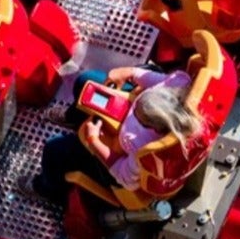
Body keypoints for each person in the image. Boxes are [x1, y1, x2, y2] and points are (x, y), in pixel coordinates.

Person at [30, 65, 200, 207]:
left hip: (113, 153)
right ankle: (73, 118)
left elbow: (125, 178)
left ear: (153, 127)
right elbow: (156, 80)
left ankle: (47, 189)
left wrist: (94, 141)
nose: (136, 108)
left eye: (138, 114)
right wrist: (131, 72)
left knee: (54, 150)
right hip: (120, 120)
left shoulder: (144, 151)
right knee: (85, 81)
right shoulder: (179, 84)